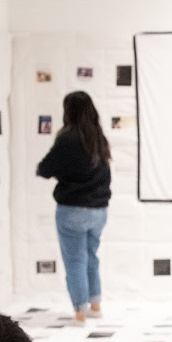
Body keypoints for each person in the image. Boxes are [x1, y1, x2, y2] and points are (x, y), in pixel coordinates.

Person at [37, 91, 112, 321]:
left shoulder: (67, 139)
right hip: (99, 210)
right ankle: (96, 304)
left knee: (75, 260)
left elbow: (44, 168)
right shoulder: (98, 138)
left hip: (72, 209)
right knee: (91, 256)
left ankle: (80, 310)